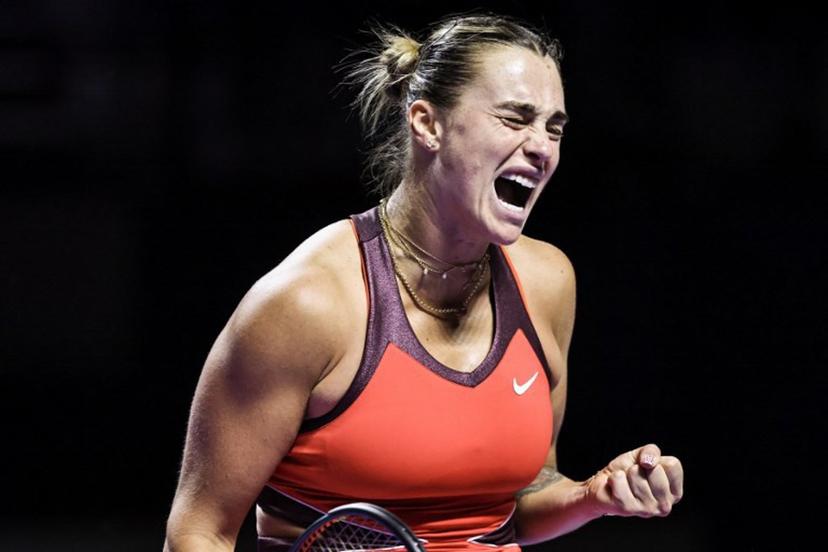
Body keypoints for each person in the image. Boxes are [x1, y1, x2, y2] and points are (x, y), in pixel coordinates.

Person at [164, 13, 684, 552]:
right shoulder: (308, 303)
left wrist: (594, 495)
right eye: (515, 118)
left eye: (554, 128)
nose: (543, 148)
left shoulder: (547, 282)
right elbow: (199, 530)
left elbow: (521, 497)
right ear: (427, 124)